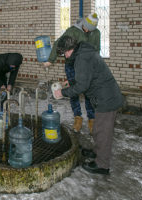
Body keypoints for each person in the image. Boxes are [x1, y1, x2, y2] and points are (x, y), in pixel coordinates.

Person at [53, 36, 123, 175]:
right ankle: (97, 152)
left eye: (63, 53)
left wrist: (62, 92)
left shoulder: (81, 58)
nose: (65, 56)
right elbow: (85, 77)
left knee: (103, 132)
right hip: (104, 96)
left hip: (106, 99)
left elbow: (82, 87)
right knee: (98, 129)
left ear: (69, 50)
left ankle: (102, 165)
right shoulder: (83, 52)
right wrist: (70, 82)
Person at [43, 13, 101, 133]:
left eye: (90, 30)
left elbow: (97, 49)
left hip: (87, 65)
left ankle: (92, 120)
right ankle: (77, 118)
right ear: (84, 24)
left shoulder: (96, 33)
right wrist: (50, 60)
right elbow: (58, 43)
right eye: (86, 28)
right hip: (72, 65)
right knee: (73, 91)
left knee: (89, 92)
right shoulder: (73, 31)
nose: (87, 31)